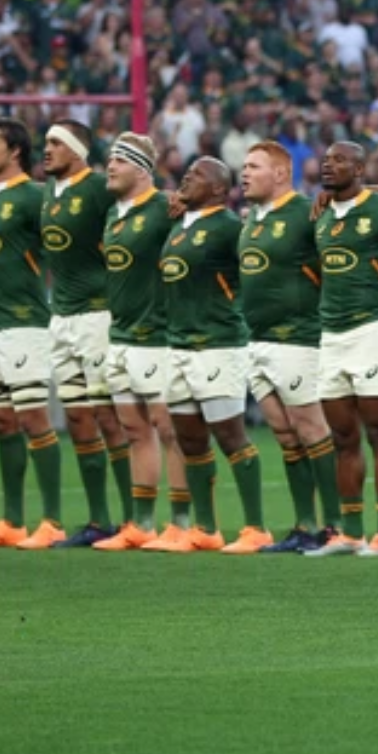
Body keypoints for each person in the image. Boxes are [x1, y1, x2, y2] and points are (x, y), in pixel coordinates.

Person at [309, 141, 378, 557]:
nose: (327, 163)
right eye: (325, 158)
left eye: (338, 159)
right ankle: (351, 532)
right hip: (331, 334)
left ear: (358, 168)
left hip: (371, 332)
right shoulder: (317, 214)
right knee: (342, 437)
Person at [152, 157, 265, 553]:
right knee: (190, 441)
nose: (187, 176)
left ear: (219, 189)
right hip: (178, 346)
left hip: (217, 345)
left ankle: (256, 529)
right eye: (187, 171)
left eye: (198, 174)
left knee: (231, 436)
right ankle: (206, 529)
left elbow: (260, 267)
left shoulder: (230, 228)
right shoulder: (180, 225)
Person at [0, 119, 67, 549]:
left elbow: (61, 244)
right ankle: (11, 521)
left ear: (16, 151)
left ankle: (53, 520)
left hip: (25, 322)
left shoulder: (34, 196)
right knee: (3, 421)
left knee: (32, 418)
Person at [238, 140, 340, 554]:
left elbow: (342, 251)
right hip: (257, 342)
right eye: (243, 166)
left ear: (281, 173)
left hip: (299, 338)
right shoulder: (251, 220)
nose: (243, 173)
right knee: (284, 434)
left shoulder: (307, 213)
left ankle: (336, 525)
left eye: (254, 166)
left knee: (311, 429)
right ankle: (304, 525)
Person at [36, 121, 131, 548]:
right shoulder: (46, 196)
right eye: (45, 143)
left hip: (98, 314)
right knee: (76, 418)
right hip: (61, 317)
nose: (47, 149)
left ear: (77, 150)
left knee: (109, 417)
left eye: (55, 143)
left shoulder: (96, 188)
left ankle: (135, 519)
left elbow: (143, 200)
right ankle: (98, 520)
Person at [92, 132, 186, 550]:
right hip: (122, 336)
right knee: (133, 430)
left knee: (170, 430)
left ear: (142, 169)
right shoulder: (114, 214)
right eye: (109, 160)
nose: (110, 167)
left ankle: (184, 523)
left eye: (120, 161)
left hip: (160, 337)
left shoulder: (168, 209)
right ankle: (142, 523)